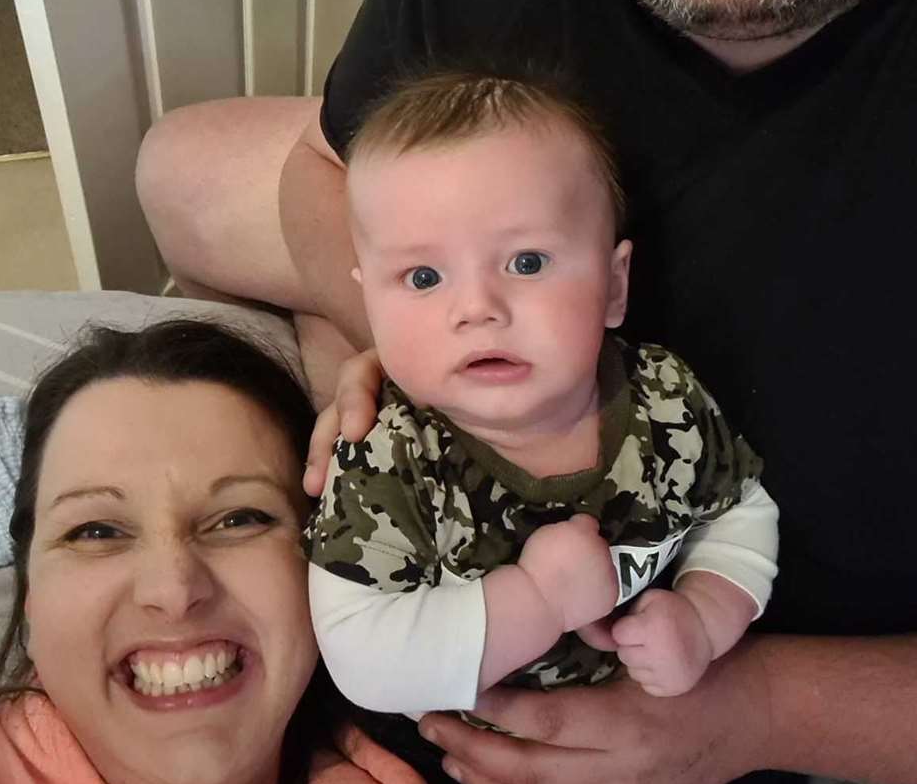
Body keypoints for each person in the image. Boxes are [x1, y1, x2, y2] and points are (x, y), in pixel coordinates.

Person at [135, 0, 917, 784]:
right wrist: (397, 341)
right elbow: (326, 170)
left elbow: (734, 556)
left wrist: (757, 705)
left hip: (710, 678)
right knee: (176, 164)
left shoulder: (694, 438)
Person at [0, 319, 458, 784]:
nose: (173, 588)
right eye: (96, 532)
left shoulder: (465, 771)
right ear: (30, 601)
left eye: (240, 518)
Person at [305, 70, 778, 714]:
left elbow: (738, 512)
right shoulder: (388, 457)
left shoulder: (666, 399)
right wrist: (538, 602)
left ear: (614, 286)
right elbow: (358, 657)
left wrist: (704, 617)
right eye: (422, 276)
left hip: (662, 721)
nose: (477, 308)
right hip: (471, 747)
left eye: (527, 263)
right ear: (369, 300)